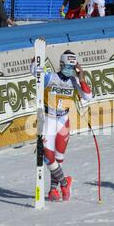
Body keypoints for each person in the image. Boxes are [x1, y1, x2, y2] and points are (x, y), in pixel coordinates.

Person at [30, 49, 92, 202]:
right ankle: (65, 183)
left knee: (59, 159)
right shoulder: (50, 77)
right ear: (61, 64)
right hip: (48, 119)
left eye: (73, 67)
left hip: (63, 121)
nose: (70, 69)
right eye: (68, 66)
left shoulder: (74, 81)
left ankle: (53, 191)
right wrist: (36, 58)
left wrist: (81, 77)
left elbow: (88, 96)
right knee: (48, 158)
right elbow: (34, 72)